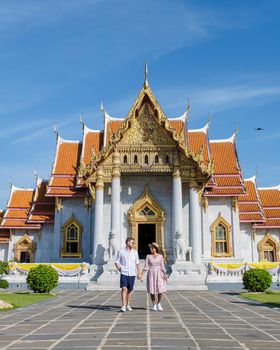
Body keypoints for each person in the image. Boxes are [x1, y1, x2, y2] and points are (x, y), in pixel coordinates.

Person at [115, 237, 141, 312]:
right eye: (132, 242)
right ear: (128, 242)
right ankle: (123, 306)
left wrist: (139, 272)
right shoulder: (121, 252)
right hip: (124, 273)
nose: (133, 244)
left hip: (132, 273)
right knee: (124, 288)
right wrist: (120, 269)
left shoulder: (135, 252)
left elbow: (137, 263)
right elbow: (116, 262)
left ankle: (128, 305)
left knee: (130, 290)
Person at [141, 242, 167, 311]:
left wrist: (165, 275)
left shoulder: (160, 256)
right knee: (152, 290)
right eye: (150, 248)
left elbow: (162, 266)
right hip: (151, 273)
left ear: (155, 249)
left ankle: (158, 303)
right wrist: (141, 274)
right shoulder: (148, 256)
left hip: (159, 273)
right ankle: (154, 304)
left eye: (152, 248)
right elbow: (146, 266)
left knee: (160, 289)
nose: (151, 249)